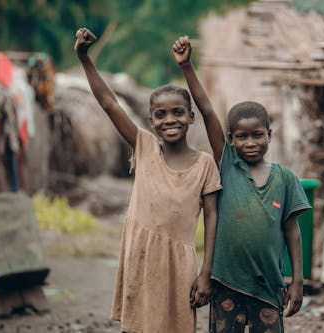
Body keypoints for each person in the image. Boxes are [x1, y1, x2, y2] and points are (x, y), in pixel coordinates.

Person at [74, 28, 222, 333]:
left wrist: (207, 272)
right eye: (161, 115)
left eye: (178, 112)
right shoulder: (144, 147)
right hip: (140, 256)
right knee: (136, 326)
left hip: (179, 264)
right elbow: (109, 103)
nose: (170, 120)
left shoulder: (204, 164)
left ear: (191, 118)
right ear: (151, 121)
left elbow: (212, 219)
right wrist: (84, 57)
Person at [173, 36, 311, 333]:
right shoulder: (228, 166)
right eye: (241, 137)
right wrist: (187, 67)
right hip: (226, 284)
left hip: (269, 287)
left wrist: (297, 279)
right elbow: (208, 110)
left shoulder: (286, 178)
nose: (250, 143)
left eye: (257, 135)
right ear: (231, 140)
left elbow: (292, 232)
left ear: (269, 135)